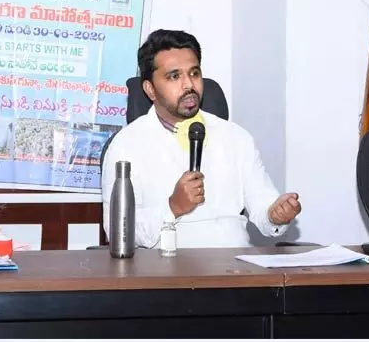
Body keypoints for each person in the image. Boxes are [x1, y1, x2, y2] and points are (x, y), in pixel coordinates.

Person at [101, 30, 302, 248]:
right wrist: (173, 206)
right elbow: (119, 231)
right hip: (164, 272)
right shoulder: (125, 146)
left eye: (194, 73)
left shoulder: (235, 137)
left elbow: (263, 206)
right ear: (150, 89)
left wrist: (275, 214)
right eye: (174, 76)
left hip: (234, 269)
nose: (189, 85)